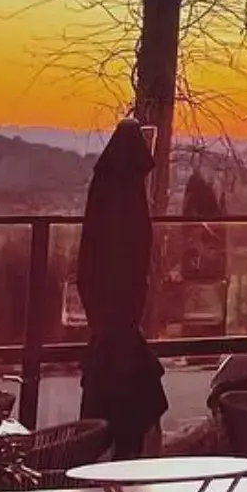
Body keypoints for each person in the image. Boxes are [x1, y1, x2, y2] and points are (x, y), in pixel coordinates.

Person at [76, 119, 168, 458]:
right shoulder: (129, 198)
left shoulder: (106, 191)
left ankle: (109, 463)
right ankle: (126, 463)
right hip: (119, 337)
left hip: (109, 333)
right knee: (132, 416)